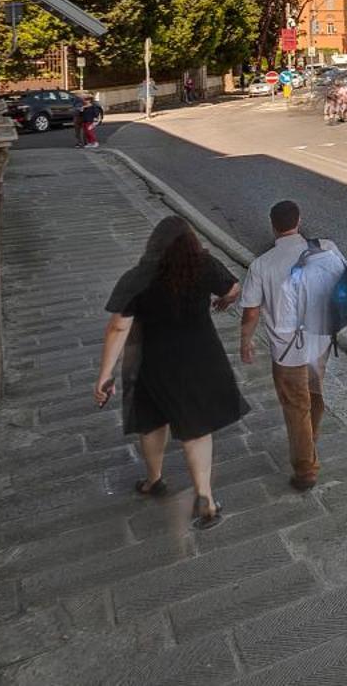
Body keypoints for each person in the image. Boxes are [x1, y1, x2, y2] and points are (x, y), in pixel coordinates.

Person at [94, 216, 247, 529]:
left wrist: (105, 374)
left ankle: (154, 480)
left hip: (154, 360)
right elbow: (233, 288)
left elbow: (119, 326)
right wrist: (223, 302)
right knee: (196, 428)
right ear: (191, 243)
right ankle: (204, 497)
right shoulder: (203, 265)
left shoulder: (138, 277)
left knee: (151, 420)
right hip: (202, 357)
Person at [240, 199, 347, 490]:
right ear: (298, 221)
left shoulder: (262, 265)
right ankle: (309, 442)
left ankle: (305, 470)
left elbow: (250, 311)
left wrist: (245, 342)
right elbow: (344, 276)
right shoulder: (326, 248)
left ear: (274, 227)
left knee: (295, 405)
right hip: (320, 341)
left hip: (287, 351)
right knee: (313, 396)